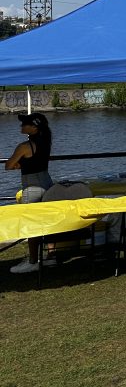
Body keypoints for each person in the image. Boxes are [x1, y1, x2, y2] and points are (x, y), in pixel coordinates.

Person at [6, 113, 54, 274]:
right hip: (47, 184)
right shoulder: (46, 141)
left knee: (31, 225)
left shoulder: (24, 146)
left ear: (34, 127)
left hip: (32, 187)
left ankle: (33, 261)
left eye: (24, 124)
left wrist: (19, 164)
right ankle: (50, 255)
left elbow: (8, 165)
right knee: (46, 222)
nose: (21, 126)